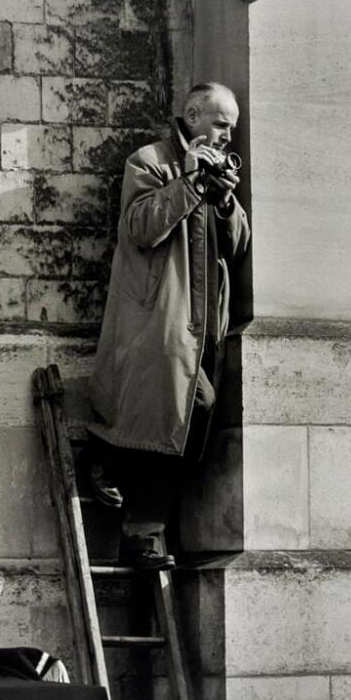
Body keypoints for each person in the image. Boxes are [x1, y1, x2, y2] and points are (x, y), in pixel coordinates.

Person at [87, 82, 250, 570]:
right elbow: (140, 226)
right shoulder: (151, 161)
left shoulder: (215, 168)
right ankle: (131, 511)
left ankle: (137, 520)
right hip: (157, 318)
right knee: (181, 406)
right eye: (222, 125)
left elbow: (239, 246)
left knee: (192, 416)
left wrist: (223, 202)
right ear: (194, 115)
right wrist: (191, 183)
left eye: (232, 129)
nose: (227, 137)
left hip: (201, 328)